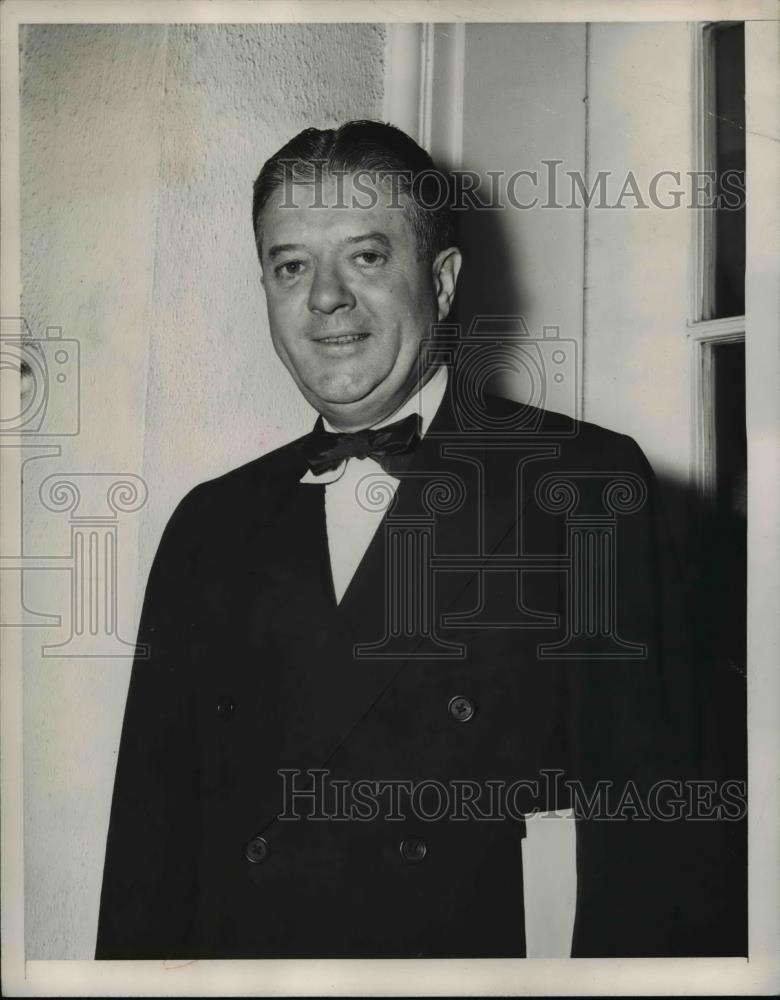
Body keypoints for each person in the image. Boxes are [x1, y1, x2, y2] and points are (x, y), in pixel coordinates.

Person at [96, 120, 728, 960]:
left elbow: (653, 845)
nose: (324, 297)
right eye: (291, 266)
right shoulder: (208, 524)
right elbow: (148, 855)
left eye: (365, 256)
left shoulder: (582, 485)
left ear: (442, 279)